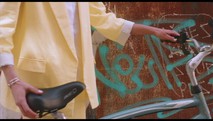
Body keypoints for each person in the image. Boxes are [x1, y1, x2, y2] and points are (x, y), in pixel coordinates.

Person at [0, 2, 180, 119]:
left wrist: (151, 31)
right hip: (34, 83)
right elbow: (3, 25)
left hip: (76, 82)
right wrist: (13, 80)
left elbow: (103, 19)